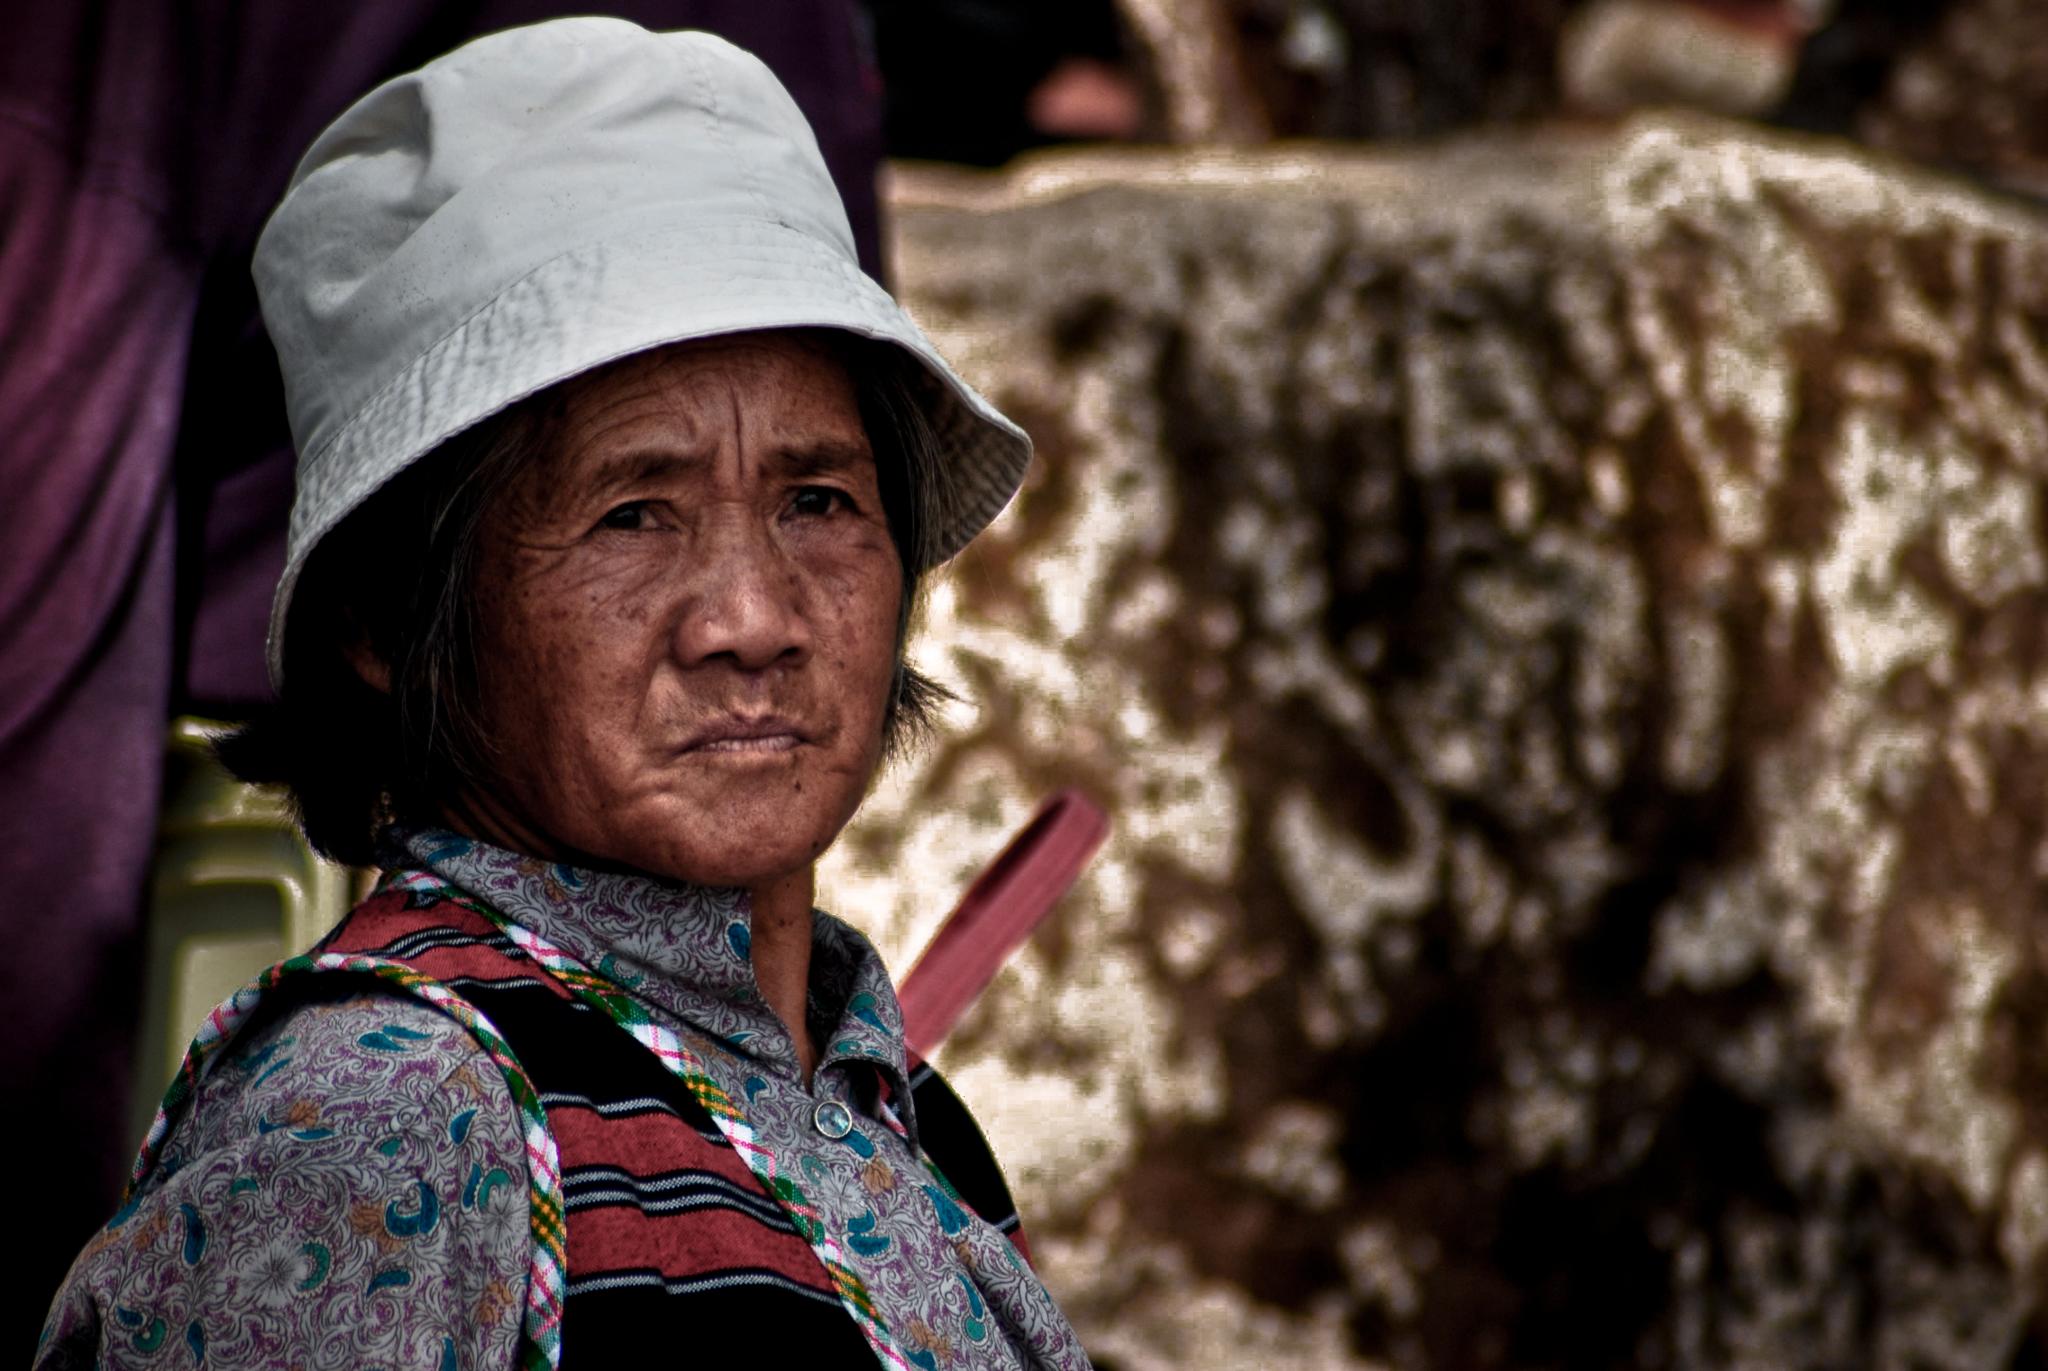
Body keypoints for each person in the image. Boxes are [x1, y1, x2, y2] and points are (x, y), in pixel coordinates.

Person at [36, 19, 1091, 1370]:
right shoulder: (393, 1129)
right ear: (384, 616)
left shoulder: (874, 1100)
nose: (753, 622)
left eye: (819, 501)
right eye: (633, 517)